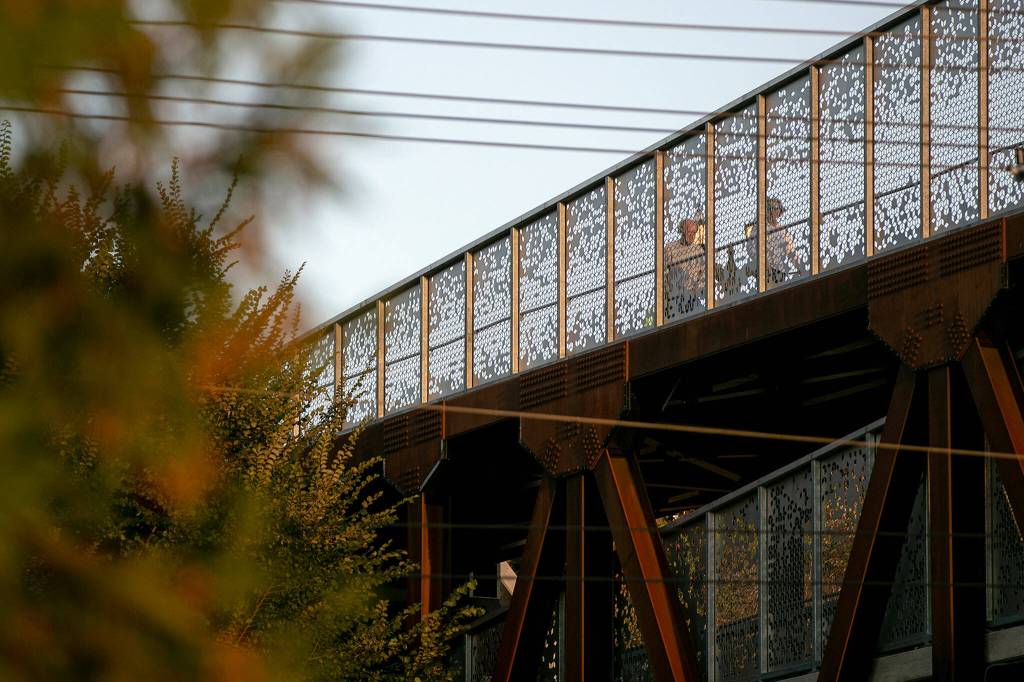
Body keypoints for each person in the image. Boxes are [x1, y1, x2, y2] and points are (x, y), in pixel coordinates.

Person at [664, 217, 706, 317]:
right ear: (682, 231)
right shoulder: (670, 248)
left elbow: (705, 273)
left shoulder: (698, 250)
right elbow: (663, 272)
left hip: (692, 294)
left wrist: (697, 288)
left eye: (694, 233)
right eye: (689, 232)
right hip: (675, 295)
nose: (692, 236)